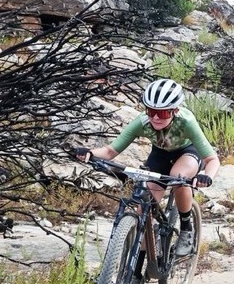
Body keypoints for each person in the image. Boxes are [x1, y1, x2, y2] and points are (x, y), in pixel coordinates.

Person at [72, 78, 219, 258]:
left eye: (163, 113)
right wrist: (90, 153)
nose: (155, 117)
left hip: (187, 152)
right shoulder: (142, 122)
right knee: (144, 206)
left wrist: (207, 176)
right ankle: (140, 264)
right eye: (151, 111)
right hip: (160, 155)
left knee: (178, 178)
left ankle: (187, 230)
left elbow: (212, 159)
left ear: (175, 110)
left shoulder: (186, 122)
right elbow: (110, 151)